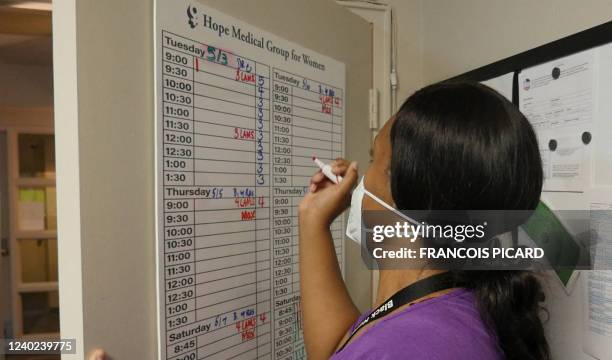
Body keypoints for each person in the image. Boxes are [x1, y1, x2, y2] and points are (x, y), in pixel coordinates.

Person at [298, 82, 550, 360]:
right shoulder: (454, 307)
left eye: (374, 161)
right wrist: (313, 222)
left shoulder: (404, 346)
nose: (360, 182)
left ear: (402, 192)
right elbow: (341, 348)